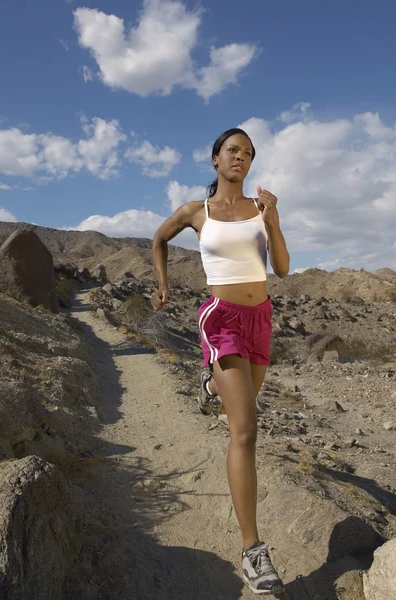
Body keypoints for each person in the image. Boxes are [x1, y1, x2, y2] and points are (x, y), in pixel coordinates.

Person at [151, 128, 289, 595]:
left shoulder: (259, 209)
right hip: (222, 319)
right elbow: (158, 239)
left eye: (248, 154)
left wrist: (273, 220)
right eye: (233, 151)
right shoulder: (197, 211)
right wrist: (164, 283)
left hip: (261, 319)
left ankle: (212, 385)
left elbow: (284, 268)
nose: (241, 158)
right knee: (245, 431)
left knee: (243, 409)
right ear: (215, 159)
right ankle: (253, 552)